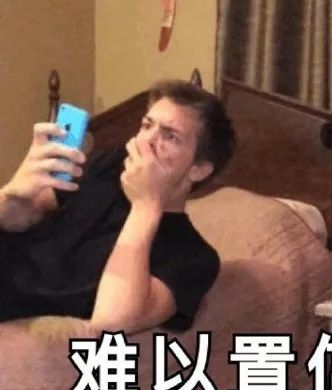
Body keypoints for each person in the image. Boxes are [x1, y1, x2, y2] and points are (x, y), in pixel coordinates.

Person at [0, 80, 236, 334]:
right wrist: (13, 193)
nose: (147, 141)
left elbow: (111, 322)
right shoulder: (111, 165)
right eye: (147, 125)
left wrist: (145, 205)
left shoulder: (194, 256)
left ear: (199, 169)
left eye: (170, 136)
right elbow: (20, 218)